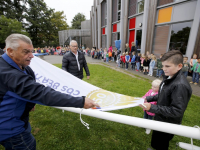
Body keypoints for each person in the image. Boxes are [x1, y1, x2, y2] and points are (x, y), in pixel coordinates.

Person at [0, 34, 99, 150]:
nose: (32, 56)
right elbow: (43, 94)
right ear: (10, 51)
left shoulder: (16, 65)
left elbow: (29, 85)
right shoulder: (10, 75)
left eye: (31, 51)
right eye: (26, 52)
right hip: (11, 129)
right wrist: (81, 101)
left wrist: (29, 104)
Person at [140, 50, 192, 150]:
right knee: (156, 140)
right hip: (161, 118)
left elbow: (176, 111)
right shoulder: (169, 76)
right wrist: (149, 98)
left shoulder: (180, 85)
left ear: (179, 66)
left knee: (162, 143)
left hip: (168, 122)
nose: (163, 69)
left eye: (167, 66)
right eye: (163, 65)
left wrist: (152, 107)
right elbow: (163, 94)